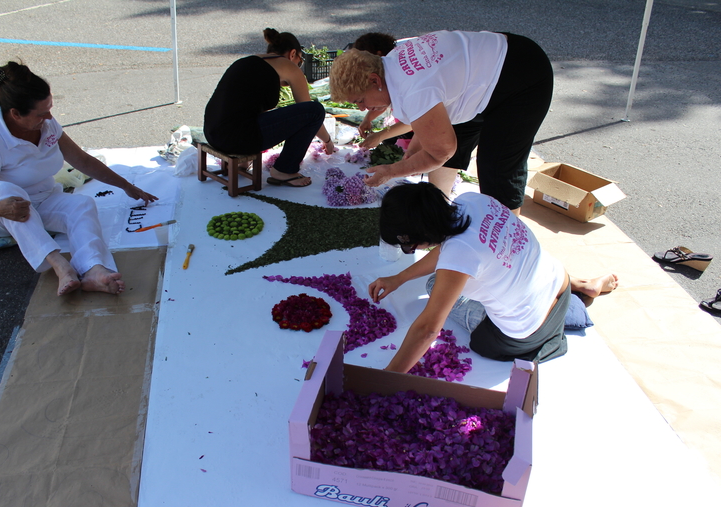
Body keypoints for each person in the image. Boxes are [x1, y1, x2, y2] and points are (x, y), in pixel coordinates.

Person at [368, 182, 618, 372]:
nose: (415, 251)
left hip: (528, 331)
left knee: (438, 289)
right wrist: (398, 278)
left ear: (420, 235)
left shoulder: (459, 256)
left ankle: (566, 314)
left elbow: (427, 329)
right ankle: (582, 285)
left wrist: (389, 376)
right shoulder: (471, 201)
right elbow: (448, 252)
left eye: (411, 246)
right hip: (558, 281)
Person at [0, 62, 158, 297]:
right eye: (41, 113)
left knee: (82, 204)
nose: (49, 117)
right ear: (15, 114)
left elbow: (82, 160)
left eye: (50, 108)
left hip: (43, 199)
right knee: (3, 189)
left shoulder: (46, 124)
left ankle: (93, 270)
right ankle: (60, 266)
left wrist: (127, 186)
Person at [330, 30, 553, 212]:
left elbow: (441, 151)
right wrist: (413, 150)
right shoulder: (389, 63)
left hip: (522, 76)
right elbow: (427, 114)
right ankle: (438, 211)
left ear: (374, 80)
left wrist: (392, 171)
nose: (361, 108)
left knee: (497, 168)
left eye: (360, 100)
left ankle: (507, 245)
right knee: (455, 131)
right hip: (482, 76)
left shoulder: (412, 90)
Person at [203, 28, 335, 188]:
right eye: (300, 62)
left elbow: (246, 111)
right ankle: (284, 170)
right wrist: (327, 141)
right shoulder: (288, 66)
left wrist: (245, 158)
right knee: (315, 110)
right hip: (235, 138)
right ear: (293, 54)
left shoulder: (249, 61)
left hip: (212, 134)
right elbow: (308, 111)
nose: (298, 67)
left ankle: (245, 162)